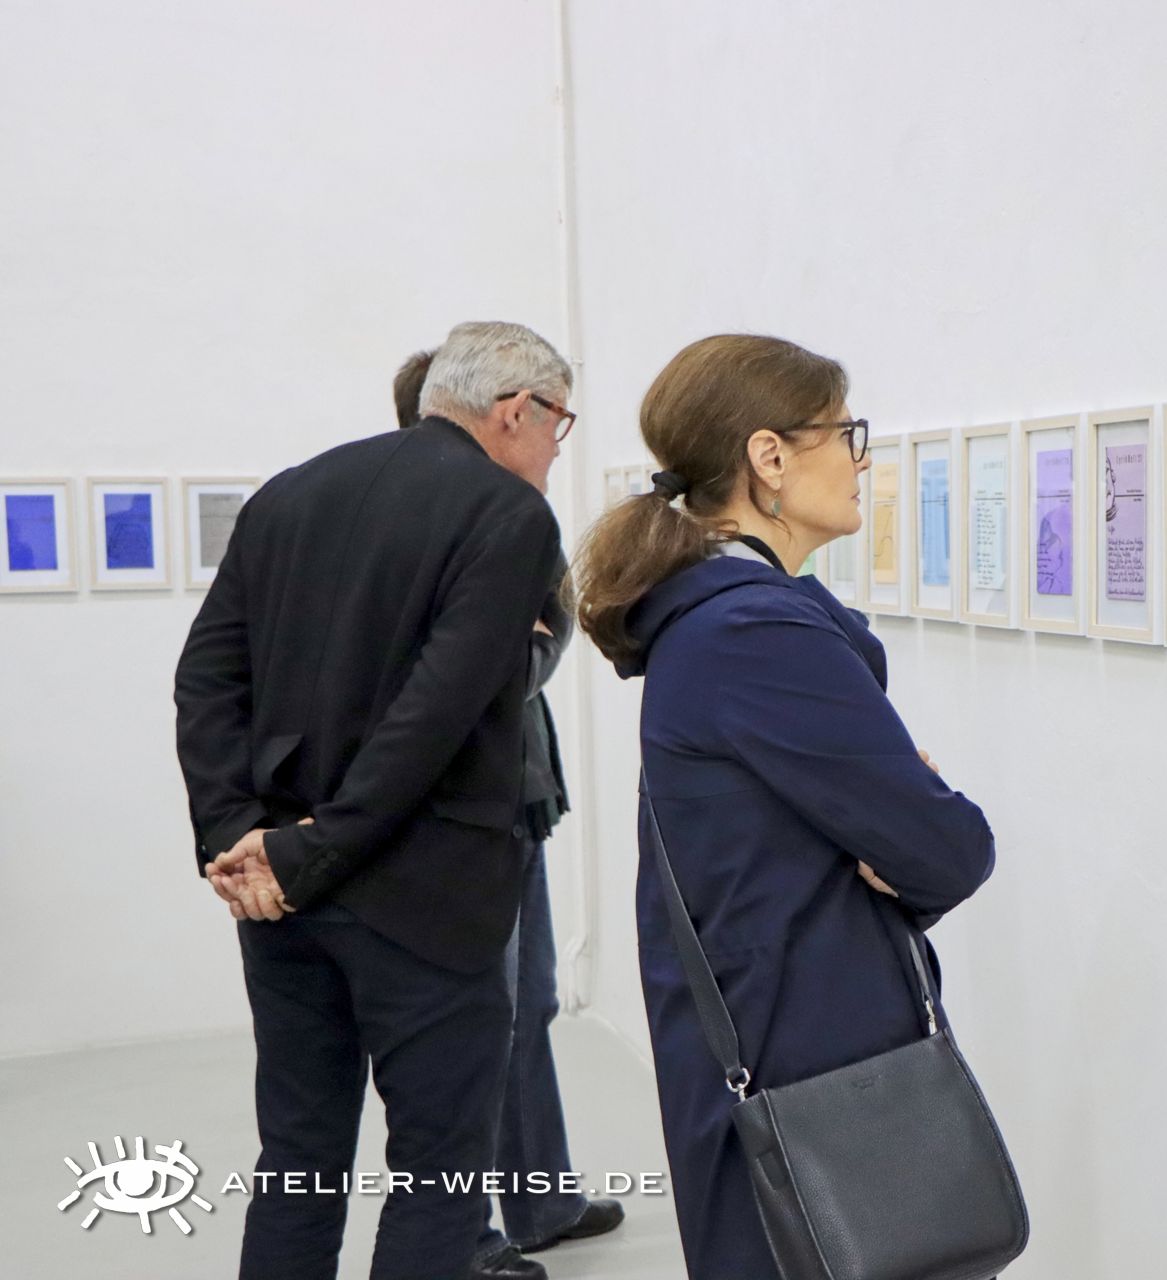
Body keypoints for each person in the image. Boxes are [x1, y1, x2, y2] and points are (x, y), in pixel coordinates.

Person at [569, 334, 998, 1279]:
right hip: (806, 1052)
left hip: (781, 1029)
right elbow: (950, 848)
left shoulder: (723, 616)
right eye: (846, 434)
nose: (860, 460)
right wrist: (905, 823)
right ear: (769, 457)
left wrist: (893, 817)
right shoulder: (753, 629)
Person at [175, 321, 572, 1280]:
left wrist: (239, 835)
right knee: (439, 1176)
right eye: (559, 422)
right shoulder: (509, 516)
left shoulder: (289, 493)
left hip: (279, 896)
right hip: (422, 898)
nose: (558, 447)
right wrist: (307, 848)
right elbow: (434, 718)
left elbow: (207, 680)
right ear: (515, 410)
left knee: (297, 1160)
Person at [391, 350, 626, 1280]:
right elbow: (490, 671)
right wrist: (530, 636)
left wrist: (537, 633)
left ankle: (540, 1201)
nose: (556, 442)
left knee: (528, 1006)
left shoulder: (508, 520)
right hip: (465, 811)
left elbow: (537, 641)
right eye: (550, 420)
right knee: (476, 1022)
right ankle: (471, 1232)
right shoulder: (453, 525)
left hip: (519, 796)